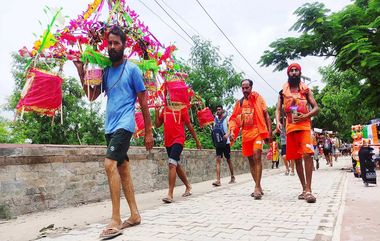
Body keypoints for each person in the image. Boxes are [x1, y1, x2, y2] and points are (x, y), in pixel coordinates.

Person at [74, 25, 154, 239]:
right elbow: (91, 96)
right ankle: (135, 214)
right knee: (123, 169)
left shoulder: (133, 70)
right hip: (109, 126)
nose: (111, 46)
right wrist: (80, 71)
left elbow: (144, 103)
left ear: (124, 45)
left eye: (116, 43)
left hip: (125, 125)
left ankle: (115, 219)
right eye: (109, 43)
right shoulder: (107, 71)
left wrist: (148, 131)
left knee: (109, 164)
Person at [275, 63, 319, 203]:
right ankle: (304, 188)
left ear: (299, 73)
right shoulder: (282, 92)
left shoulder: (306, 90)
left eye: (296, 70)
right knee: (297, 158)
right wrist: (278, 122)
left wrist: (306, 116)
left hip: (305, 126)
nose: (294, 72)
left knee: (307, 154)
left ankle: (309, 190)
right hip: (290, 128)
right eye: (291, 70)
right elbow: (278, 109)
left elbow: (316, 108)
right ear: (288, 74)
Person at [229, 79, 272, 200]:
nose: (245, 90)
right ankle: (257, 185)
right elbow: (233, 119)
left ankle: (257, 188)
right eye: (243, 88)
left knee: (257, 156)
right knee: (251, 161)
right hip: (246, 135)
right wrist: (232, 130)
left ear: (251, 87)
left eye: (247, 87)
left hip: (257, 132)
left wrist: (269, 132)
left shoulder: (258, 98)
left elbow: (266, 115)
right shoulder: (239, 103)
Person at [155, 105, 201, 204]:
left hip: (178, 139)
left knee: (172, 164)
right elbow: (158, 124)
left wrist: (197, 140)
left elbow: (189, 125)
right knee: (176, 164)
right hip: (168, 142)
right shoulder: (165, 109)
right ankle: (188, 186)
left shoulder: (182, 109)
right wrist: (156, 111)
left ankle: (170, 194)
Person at [212, 105, 235, 186]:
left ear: (222, 110)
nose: (218, 111)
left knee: (228, 160)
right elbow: (214, 130)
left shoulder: (227, 119)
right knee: (218, 160)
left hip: (226, 142)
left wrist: (228, 135)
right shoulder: (215, 120)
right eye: (217, 110)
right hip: (218, 143)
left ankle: (232, 177)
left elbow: (231, 128)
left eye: (219, 109)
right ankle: (218, 180)